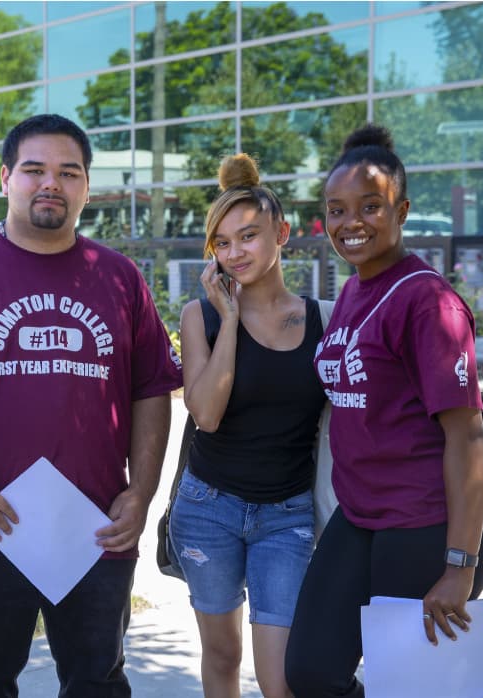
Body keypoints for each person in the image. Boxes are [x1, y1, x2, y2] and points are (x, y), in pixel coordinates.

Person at [0, 113, 183, 697]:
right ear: (5, 178)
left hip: (94, 528)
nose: (50, 183)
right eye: (34, 169)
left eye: (68, 172)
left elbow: (151, 387)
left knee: (97, 681)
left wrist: (142, 491)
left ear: (86, 187)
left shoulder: (119, 278)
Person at [284, 124, 483, 697]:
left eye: (370, 206)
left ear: (401, 209)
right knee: (310, 671)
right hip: (362, 515)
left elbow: (466, 439)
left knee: (407, 682)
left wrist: (459, 566)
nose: (350, 222)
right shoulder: (357, 287)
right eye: (336, 210)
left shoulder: (428, 302)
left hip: (429, 519)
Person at [170, 154, 327, 698]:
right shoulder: (201, 317)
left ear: (282, 233)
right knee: (221, 656)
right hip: (208, 508)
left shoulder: (322, 319)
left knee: (280, 678)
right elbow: (206, 414)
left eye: (249, 236)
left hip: (287, 515)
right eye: (222, 242)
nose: (235, 252)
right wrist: (231, 321)